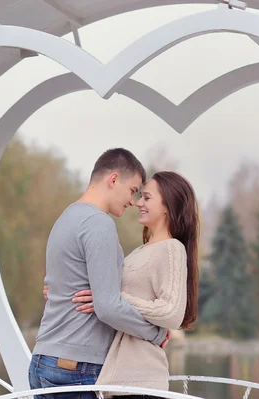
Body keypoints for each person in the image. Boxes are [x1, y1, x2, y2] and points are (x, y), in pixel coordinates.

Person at [29, 149, 170, 399]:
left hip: (43, 361)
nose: (133, 201)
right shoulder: (98, 223)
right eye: (132, 190)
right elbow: (108, 308)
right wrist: (156, 334)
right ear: (113, 179)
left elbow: (55, 285)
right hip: (76, 368)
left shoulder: (65, 218)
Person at [72, 171, 200, 399]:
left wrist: (111, 297)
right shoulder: (140, 251)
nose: (138, 202)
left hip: (142, 381)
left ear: (167, 206)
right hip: (120, 380)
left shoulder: (172, 249)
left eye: (147, 197)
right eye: (140, 196)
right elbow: (108, 294)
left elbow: (171, 313)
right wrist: (63, 289)